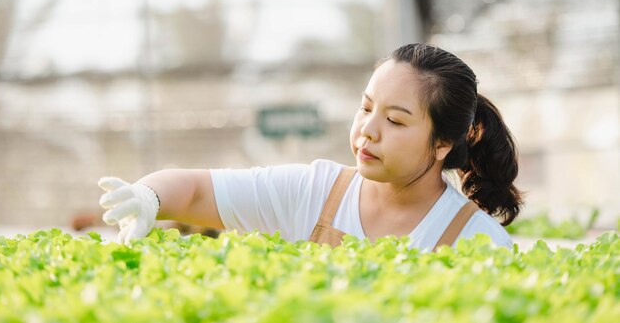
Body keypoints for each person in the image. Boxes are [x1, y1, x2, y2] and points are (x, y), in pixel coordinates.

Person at [98, 43, 523, 250]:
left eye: (394, 120)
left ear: (443, 144)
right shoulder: (314, 191)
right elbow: (195, 190)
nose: (367, 131)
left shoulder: (478, 242)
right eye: (366, 108)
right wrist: (148, 197)